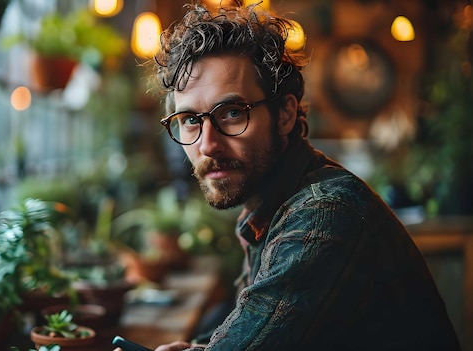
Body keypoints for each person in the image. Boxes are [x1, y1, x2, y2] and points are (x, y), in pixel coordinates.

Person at [113, 1, 462, 351]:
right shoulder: (268, 208)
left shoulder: (324, 214)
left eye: (233, 112)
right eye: (190, 120)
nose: (207, 144)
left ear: (285, 115)